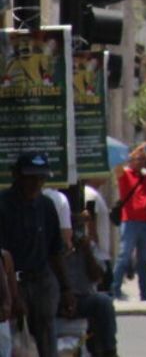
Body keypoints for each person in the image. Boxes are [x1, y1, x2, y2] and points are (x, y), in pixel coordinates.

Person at [0, 152, 74, 357]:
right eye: (31, 177)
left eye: (41, 178)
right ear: (17, 175)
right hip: (11, 283)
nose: (36, 183)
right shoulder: (3, 205)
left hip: (41, 281)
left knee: (46, 338)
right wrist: (13, 295)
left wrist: (66, 288)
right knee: (14, 342)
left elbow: (55, 251)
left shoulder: (46, 205)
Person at [65, 212, 118, 357]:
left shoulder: (88, 247)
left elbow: (98, 277)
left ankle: (109, 350)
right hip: (58, 298)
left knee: (103, 302)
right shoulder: (54, 246)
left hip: (82, 298)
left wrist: (87, 251)